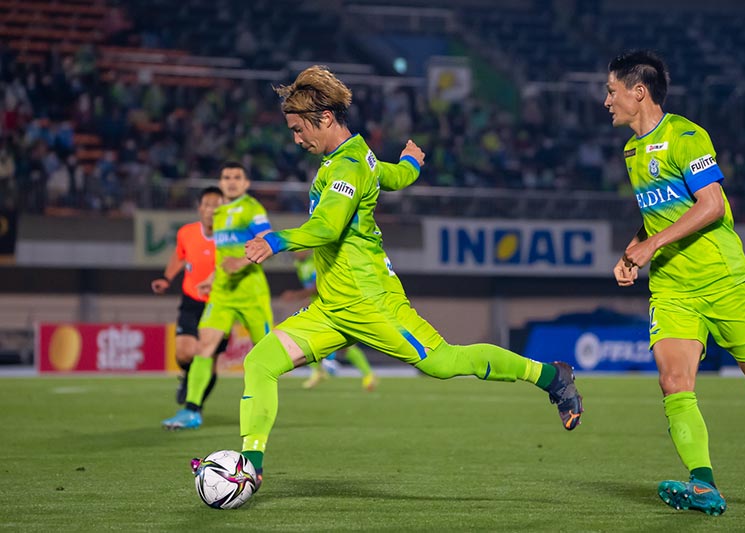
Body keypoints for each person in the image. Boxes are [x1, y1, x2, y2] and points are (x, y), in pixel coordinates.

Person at [194, 65, 583, 490]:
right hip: (333, 307)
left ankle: (551, 377)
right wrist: (411, 163)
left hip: (372, 300)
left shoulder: (346, 166)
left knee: (443, 363)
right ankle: (250, 467)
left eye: (298, 129)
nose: (296, 139)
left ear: (325, 118)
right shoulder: (355, 157)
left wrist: (275, 240)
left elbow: (328, 227)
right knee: (260, 362)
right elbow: (392, 176)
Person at [605, 49, 745, 516]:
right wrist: (633, 249)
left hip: (724, 280)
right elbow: (657, 215)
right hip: (673, 288)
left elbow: (711, 204)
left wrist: (652, 246)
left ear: (639, 92)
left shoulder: (687, 136)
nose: (606, 100)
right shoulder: (631, 151)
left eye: (611, 91)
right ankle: (703, 484)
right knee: (673, 381)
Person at [162, 162, 274, 430]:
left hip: (251, 293)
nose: (231, 181)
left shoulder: (252, 209)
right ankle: (191, 411)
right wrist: (211, 279)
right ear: (221, 183)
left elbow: (269, 240)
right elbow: (224, 256)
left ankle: (262, 411)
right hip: (222, 294)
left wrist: (242, 262)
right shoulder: (220, 214)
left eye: (237, 177)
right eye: (226, 177)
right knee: (205, 347)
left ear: (246, 184)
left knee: (267, 355)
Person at [151, 186, 226, 405]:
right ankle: (187, 377)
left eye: (216, 206)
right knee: (184, 354)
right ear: (199, 208)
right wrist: (166, 278)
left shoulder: (230, 238)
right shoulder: (186, 232)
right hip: (192, 300)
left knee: (209, 360)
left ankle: (195, 405)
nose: (211, 210)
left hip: (220, 304)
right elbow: (180, 256)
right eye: (207, 205)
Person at [280, 249, 377, 391]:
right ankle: (319, 371)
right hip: (320, 305)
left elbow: (318, 287)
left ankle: (367, 374)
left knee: (344, 345)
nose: (295, 252)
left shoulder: (316, 260)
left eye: (298, 249)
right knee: (304, 338)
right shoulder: (299, 264)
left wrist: (296, 295)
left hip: (332, 305)